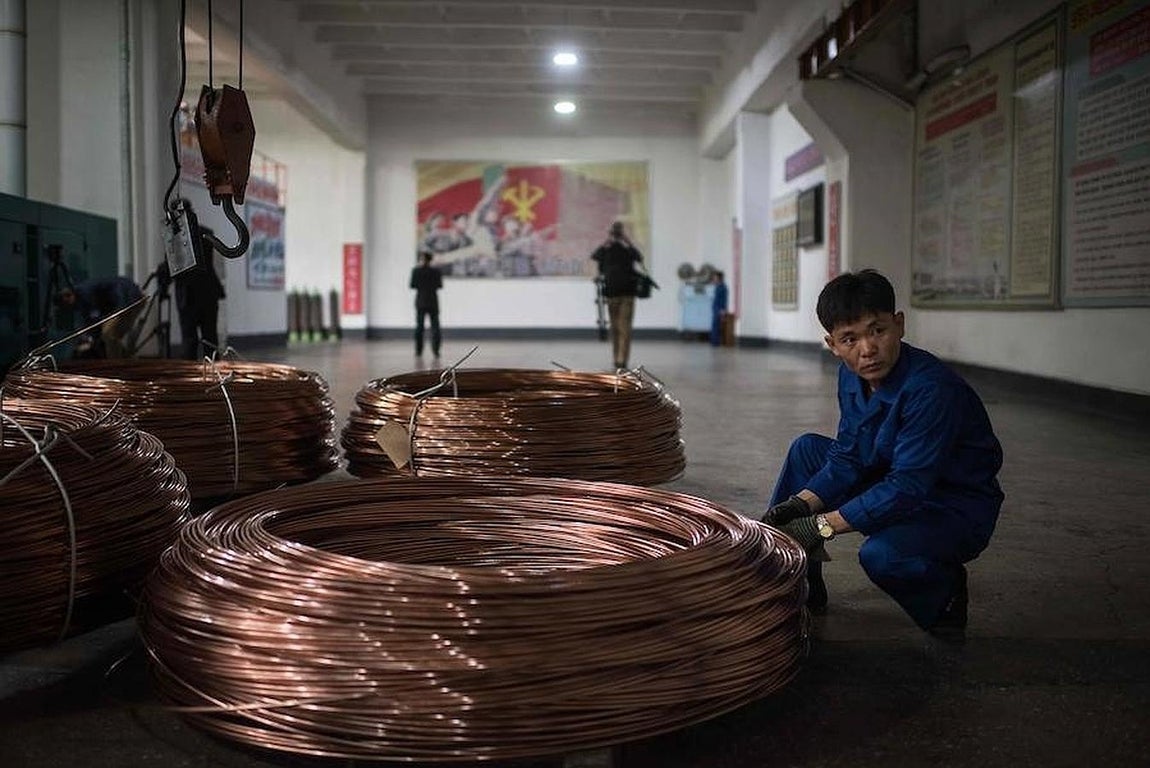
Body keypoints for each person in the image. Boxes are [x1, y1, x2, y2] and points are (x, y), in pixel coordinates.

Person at [762, 269, 1003, 640]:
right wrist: (800, 504)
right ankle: (795, 572)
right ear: (833, 345)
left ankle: (945, 592)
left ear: (899, 324)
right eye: (850, 338)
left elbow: (908, 485)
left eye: (878, 330)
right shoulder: (852, 375)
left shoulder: (931, 390)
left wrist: (822, 525)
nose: (868, 349)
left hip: (952, 506)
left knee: (883, 555)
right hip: (893, 478)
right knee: (807, 451)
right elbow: (848, 455)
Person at [590, 221, 644, 369]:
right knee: (615, 328)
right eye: (615, 232)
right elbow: (594, 256)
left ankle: (622, 359)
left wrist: (628, 242)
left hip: (627, 294)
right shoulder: (607, 249)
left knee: (624, 327)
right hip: (612, 294)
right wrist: (607, 242)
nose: (616, 234)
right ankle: (617, 358)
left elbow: (639, 257)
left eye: (617, 232)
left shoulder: (627, 249)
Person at [170, 228, 226, 360]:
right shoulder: (205, 233)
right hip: (208, 292)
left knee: (190, 339)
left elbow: (171, 266)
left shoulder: (176, 236)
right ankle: (213, 372)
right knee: (210, 337)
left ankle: (191, 374)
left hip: (189, 294)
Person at [58, 275, 144, 358]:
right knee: (110, 335)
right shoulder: (81, 296)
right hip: (127, 298)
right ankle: (124, 358)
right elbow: (92, 319)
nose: (70, 308)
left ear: (68, 296)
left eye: (67, 305)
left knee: (108, 333)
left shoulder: (85, 293)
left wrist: (91, 339)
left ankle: (117, 363)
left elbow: (94, 319)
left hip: (130, 299)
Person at [409, 250, 443, 358]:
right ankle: (436, 351)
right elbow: (439, 285)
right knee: (435, 328)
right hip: (433, 301)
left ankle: (418, 351)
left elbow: (412, 285)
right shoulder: (436, 271)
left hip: (421, 301)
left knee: (419, 327)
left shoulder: (416, 271)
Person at [710, 270, 728, 347]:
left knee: (716, 325)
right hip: (716, 308)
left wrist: (723, 310)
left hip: (719, 309)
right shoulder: (717, 286)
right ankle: (714, 342)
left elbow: (724, 299)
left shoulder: (723, 287)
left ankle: (716, 342)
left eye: (715, 277)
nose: (714, 278)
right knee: (714, 325)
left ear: (719, 278)